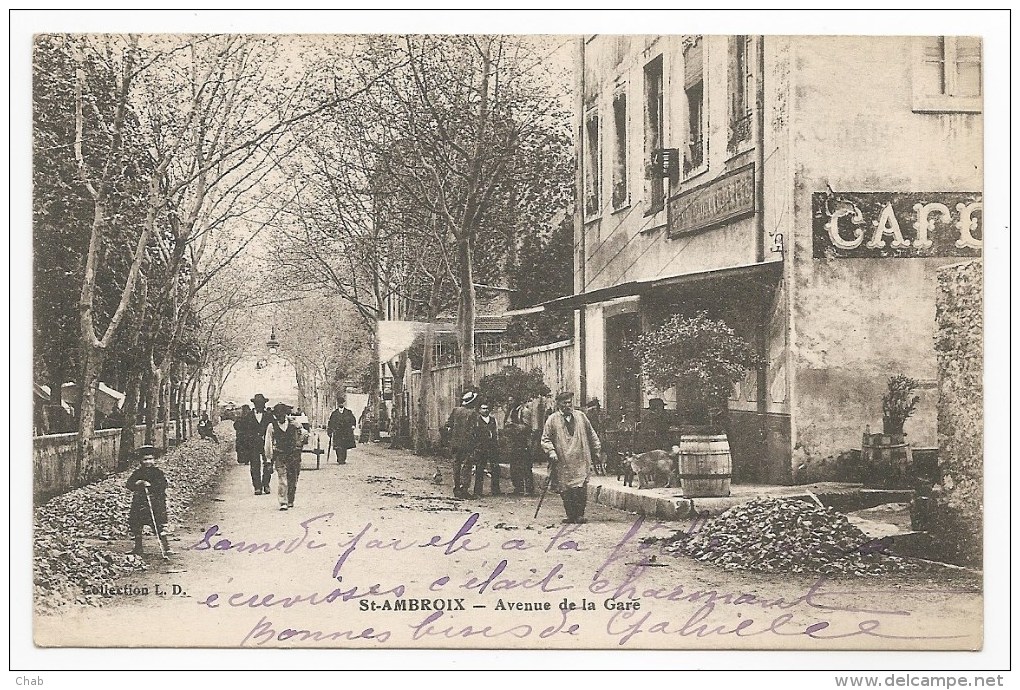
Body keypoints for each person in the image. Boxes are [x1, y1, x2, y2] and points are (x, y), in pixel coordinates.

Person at [541, 391, 602, 525]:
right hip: (562, 460)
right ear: (558, 404)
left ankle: (579, 514)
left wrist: (597, 449)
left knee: (580, 488)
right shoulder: (552, 419)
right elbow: (545, 439)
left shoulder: (581, 416)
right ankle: (570, 514)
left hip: (581, 457)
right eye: (564, 403)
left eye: (569, 402)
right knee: (566, 489)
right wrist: (551, 452)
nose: (568, 405)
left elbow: (591, 434)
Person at [125, 445, 173, 556]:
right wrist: (138, 483)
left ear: (154, 460)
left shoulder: (158, 473)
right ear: (141, 461)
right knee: (136, 524)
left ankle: (166, 547)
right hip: (140, 503)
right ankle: (138, 547)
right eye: (145, 459)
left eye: (150, 459)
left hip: (155, 502)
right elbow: (129, 484)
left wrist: (150, 486)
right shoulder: (137, 473)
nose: (148, 462)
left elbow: (163, 485)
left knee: (158, 525)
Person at [265, 402, 309, 511]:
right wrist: (269, 460)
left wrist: (301, 431)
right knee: (282, 479)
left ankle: (290, 499)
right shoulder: (272, 426)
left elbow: (305, 435)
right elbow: (268, 443)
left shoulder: (294, 423)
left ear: (285, 414)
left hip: (293, 455)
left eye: (282, 415)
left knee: (292, 479)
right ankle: (283, 502)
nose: (280, 417)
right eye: (277, 415)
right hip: (280, 455)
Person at [443, 390, 480, 499]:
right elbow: (475, 429)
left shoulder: (456, 410)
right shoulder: (472, 413)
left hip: (455, 443)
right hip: (467, 444)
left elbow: (447, 425)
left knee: (456, 465)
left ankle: (456, 488)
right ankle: (464, 489)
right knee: (466, 466)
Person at [241, 394, 275, 495]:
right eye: (258, 404)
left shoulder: (269, 415)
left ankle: (266, 484)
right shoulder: (248, 416)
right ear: (254, 404)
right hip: (253, 444)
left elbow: (274, 428)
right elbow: (243, 430)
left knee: (268, 463)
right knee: (255, 465)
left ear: (264, 404)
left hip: (267, 443)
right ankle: (257, 487)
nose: (260, 405)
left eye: (262, 404)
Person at [505, 396, 534, 495]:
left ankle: (528, 489)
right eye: (508, 401)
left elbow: (527, 427)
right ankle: (518, 488)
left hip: (524, 443)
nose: (509, 402)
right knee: (515, 467)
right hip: (514, 442)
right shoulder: (512, 411)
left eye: (511, 400)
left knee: (525, 466)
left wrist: (513, 426)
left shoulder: (524, 411)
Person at [472, 401, 501, 497]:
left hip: (492, 447)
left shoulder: (493, 420)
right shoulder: (477, 420)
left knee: (495, 468)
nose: (485, 410)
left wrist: (497, 444)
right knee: (480, 469)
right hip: (481, 447)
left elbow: (496, 433)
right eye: (483, 408)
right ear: (479, 410)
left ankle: (496, 490)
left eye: (487, 408)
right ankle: (478, 491)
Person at [327, 395, 357, 464]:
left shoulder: (348, 412)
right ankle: (339, 459)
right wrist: (330, 431)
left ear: (344, 403)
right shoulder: (334, 413)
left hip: (345, 432)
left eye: (342, 403)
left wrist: (353, 426)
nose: (341, 404)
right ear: (338, 404)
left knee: (344, 446)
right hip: (337, 432)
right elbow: (330, 422)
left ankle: (343, 459)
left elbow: (353, 419)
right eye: (339, 403)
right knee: (338, 446)